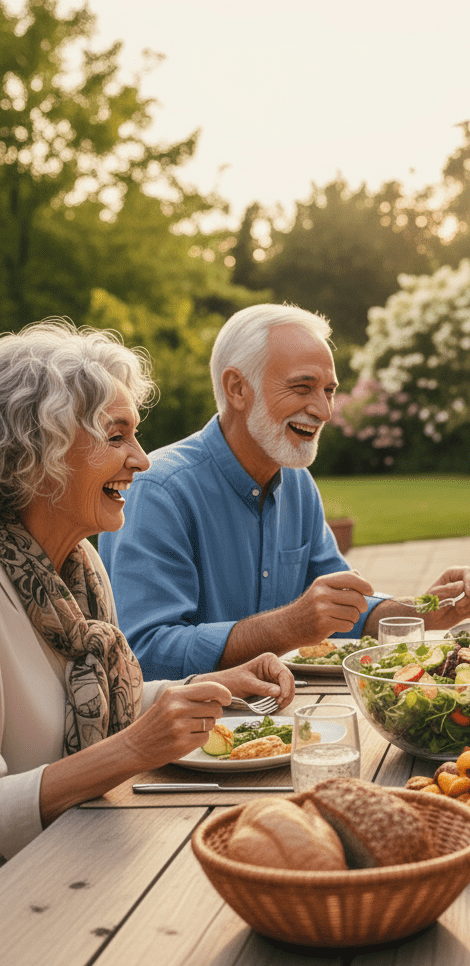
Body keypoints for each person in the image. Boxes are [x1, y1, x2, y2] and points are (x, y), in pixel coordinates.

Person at [0, 321, 295, 860]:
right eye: (116, 437)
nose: (142, 459)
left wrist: (208, 685)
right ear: (36, 455)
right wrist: (131, 751)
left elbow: (104, 702)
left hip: (93, 850)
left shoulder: (80, 567)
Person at [100, 304, 470, 681]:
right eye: (303, 388)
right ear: (237, 389)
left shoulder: (297, 483)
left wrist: (424, 610)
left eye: (328, 391)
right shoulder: (158, 490)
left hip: (281, 710)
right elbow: (143, 654)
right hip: (196, 722)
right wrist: (289, 626)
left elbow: (341, 607)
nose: (324, 411)